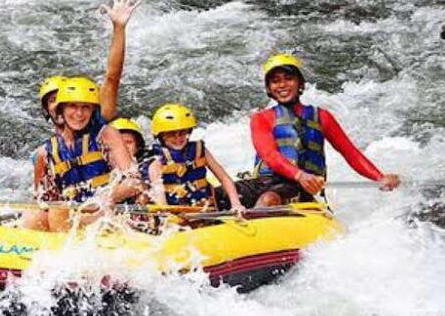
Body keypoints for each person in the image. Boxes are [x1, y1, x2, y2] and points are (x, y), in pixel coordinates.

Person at [242, 53, 400, 207]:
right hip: (265, 182)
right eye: (275, 81)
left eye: (289, 79)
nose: (282, 85)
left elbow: (350, 153)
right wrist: (299, 174)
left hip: (300, 188)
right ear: (269, 89)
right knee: (219, 195)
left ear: (301, 84)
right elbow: (269, 155)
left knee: (269, 199)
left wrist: (379, 177)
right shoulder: (260, 118)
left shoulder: (322, 117)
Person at [43, 77, 141, 231]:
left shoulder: (106, 135)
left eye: (86, 107)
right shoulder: (46, 151)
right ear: (61, 109)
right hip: (72, 217)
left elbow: (134, 183)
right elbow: (44, 198)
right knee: (35, 215)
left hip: (108, 213)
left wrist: (105, 200)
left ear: (93, 111)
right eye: (72, 106)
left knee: (57, 213)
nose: (79, 113)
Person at [147, 104, 245, 214]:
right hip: (176, 214)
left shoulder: (199, 150)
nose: (178, 138)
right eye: (171, 134)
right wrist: (167, 217)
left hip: (205, 210)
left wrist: (236, 204)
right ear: (160, 136)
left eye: (182, 132)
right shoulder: (156, 161)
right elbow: (160, 199)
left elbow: (224, 178)